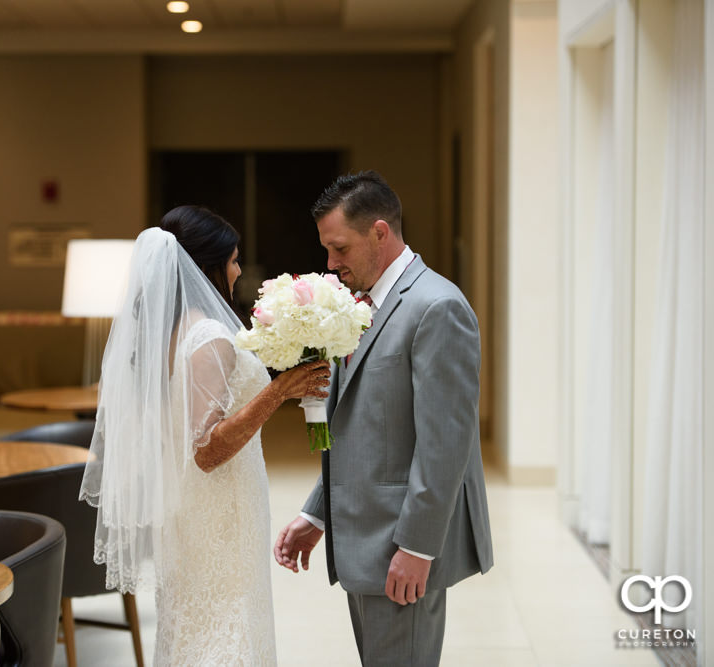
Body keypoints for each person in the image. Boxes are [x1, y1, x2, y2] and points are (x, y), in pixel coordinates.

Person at [80, 205, 331, 666]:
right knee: (223, 625)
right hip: (219, 508)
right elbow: (207, 450)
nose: (238, 270)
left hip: (199, 505)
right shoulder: (209, 337)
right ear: (208, 266)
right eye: (233, 260)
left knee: (201, 622)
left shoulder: (171, 333)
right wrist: (279, 391)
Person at [274, 171, 494, 666]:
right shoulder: (364, 303)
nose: (330, 265)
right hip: (364, 536)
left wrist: (418, 547)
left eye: (340, 249)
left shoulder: (436, 307)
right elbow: (361, 429)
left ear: (379, 232)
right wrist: (317, 513)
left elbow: (445, 444)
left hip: (401, 542)